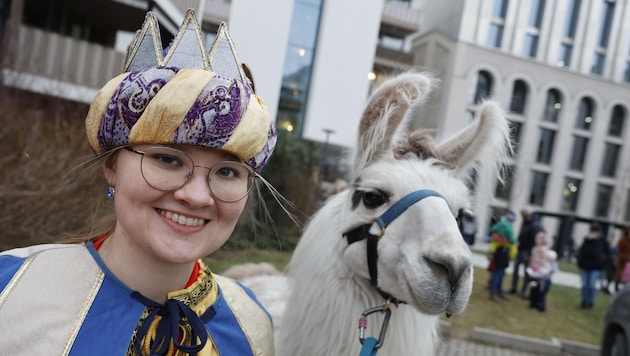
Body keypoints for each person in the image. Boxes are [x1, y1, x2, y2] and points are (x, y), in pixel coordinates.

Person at [0, 10, 277, 355]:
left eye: (226, 172)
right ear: (112, 166)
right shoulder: (10, 292)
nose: (195, 196)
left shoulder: (252, 326)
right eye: (168, 159)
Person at [508, 209, 541, 299]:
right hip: (520, 249)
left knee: (527, 272)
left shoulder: (534, 225)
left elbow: (533, 241)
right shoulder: (525, 223)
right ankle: (513, 288)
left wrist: (529, 254)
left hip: (527, 251)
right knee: (516, 270)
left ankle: (523, 291)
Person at [576, 222, 610, 309]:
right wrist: (580, 261)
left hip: (596, 267)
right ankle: (584, 301)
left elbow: (607, 254)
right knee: (584, 285)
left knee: (591, 285)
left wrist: (602, 262)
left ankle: (591, 302)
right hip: (585, 265)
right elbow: (581, 251)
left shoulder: (603, 241)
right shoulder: (587, 240)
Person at [487, 211, 517, 302]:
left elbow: (491, 230)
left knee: (499, 272)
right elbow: (512, 240)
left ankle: (498, 291)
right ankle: (494, 293)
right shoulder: (508, 226)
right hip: (503, 251)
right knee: (499, 273)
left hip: (498, 251)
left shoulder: (499, 224)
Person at [526, 230, 557, 312]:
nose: (536, 240)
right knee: (533, 287)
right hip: (534, 272)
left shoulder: (544, 250)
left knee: (539, 290)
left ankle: (540, 306)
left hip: (541, 274)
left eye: (538, 239)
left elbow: (546, 262)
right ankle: (532, 303)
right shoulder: (535, 248)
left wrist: (540, 265)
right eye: (536, 238)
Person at [615, 226, 630, 290]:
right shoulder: (623, 241)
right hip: (623, 261)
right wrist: (626, 257)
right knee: (621, 274)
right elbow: (619, 251)